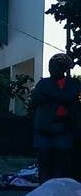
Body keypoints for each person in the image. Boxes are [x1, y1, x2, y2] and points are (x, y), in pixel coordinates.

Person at [30, 53, 81, 182]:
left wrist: (52, 96)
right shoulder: (43, 83)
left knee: (62, 165)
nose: (51, 70)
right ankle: (43, 194)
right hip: (44, 129)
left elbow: (71, 97)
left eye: (55, 67)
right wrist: (61, 97)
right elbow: (36, 99)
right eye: (50, 67)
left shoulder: (73, 83)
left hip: (64, 129)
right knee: (44, 163)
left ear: (64, 69)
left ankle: (58, 193)